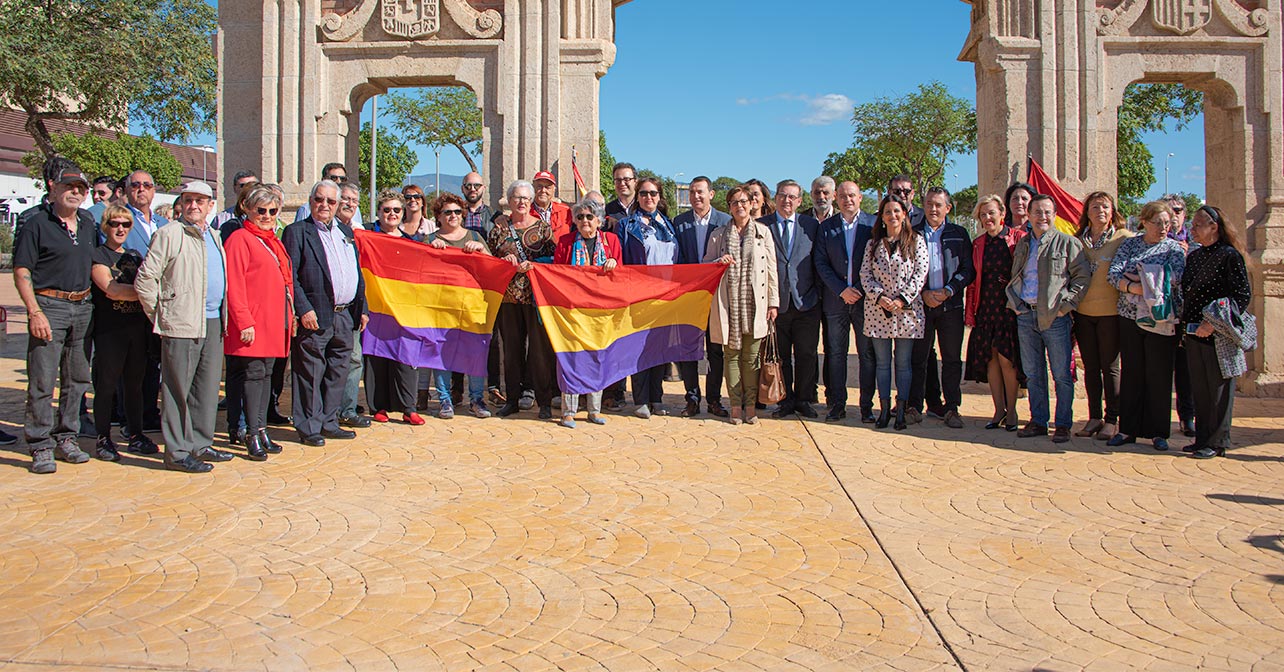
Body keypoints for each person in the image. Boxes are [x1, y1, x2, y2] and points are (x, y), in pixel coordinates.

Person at [135, 180, 234, 473]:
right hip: (181, 324)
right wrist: (163, 315)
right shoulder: (169, 234)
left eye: (200, 201)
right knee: (177, 390)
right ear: (181, 203)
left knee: (205, 389)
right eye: (189, 200)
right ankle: (177, 452)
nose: (194, 206)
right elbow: (145, 280)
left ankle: (200, 444)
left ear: (209, 206)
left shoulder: (214, 236)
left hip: (213, 321)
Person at [12, 158, 97, 473]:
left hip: (83, 307)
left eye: (80, 188)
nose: (75, 192)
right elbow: (22, 272)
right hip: (49, 306)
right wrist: (34, 312)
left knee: (77, 379)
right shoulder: (36, 223)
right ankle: (39, 444)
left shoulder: (88, 222)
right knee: (43, 379)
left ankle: (67, 437)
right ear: (53, 187)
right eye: (69, 186)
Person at [283, 180, 369, 447]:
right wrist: (303, 308)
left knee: (337, 371)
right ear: (311, 202)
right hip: (315, 314)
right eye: (320, 200)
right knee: (310, 372)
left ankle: (329, 422)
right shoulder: (297, 232)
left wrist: (361, 308)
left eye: (331, 202)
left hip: (344, 315)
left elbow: (355, 272)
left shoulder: (345, 232)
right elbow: (290, 276)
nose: (325, 206)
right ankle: (309, 426)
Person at [1007, 194, 1090, 443]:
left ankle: (1063, 423)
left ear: (1054, 215)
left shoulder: (1068, 244)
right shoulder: (1023, 245)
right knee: (1033, 373)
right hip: (1026, 315)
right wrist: (1016, 303)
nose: (1042, 217)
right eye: (1037, 212)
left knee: (1061, 374)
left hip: (1055, 318)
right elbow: (1017, 276)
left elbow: (1081, 278)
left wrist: (1066, 306)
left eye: (1047, 212)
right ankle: (1038, 421)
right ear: (1029, 216)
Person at [1106, 200, 1187, 451]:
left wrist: (1140, 277)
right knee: (1132, 372)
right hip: (1130, 317)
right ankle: (1128, 429)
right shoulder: (1130, 244)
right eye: (1157, 223)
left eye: (1166, 223)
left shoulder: (1174, 248)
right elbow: (1114, 274)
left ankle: (1158, 432)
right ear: (1144, 222)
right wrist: (1140, 286)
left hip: (1160, 319)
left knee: (1159, 375)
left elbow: (1176, 277)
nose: (1163, 227)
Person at [224, 185, 293, 461]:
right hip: (252, 322)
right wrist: (244, 321)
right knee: (252, 377)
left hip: (273, 321)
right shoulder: (240, 239)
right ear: (247, 210)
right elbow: (235, 284)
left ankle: (262, 428)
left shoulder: (272, 240)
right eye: (260, 210)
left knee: (266, 376)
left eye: (272, 211)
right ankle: (250, 432)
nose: (266, 215)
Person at [1181, 205, 1252, 459]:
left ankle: (1218, 441)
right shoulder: (1195, 256)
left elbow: (1241, 296)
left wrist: (1212, 322)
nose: (1193, 229)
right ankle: (1202, 438)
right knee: (1199, 388)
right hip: (1192, 332)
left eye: (1198, 224)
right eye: (1193, 224)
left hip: (1217, 333)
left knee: (1219, 389)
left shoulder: (1230, 256)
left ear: (1214, 227)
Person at [90, 204, 159, 460]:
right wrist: (147, 294)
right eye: (115, 224)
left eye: (126, 225)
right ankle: (103, 437)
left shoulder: (134, 256)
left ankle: (135, 434)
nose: (120, 229)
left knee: (134, 385)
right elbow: (112, 290)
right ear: (106, 226)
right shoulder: (99, 255)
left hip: (136, 330)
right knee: (107, 386)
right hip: (111, 331)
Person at [705, 185, 779, 425]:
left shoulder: (763, 232)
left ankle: (751, 406)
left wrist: (773, 303)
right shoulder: (718, 234)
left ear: (751, 204)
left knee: (752, 357)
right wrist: (719, 261)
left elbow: (771, 271)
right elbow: (706, 265)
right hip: (729, 303)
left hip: (755, 303)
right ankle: (735, 406)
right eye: (735, 202)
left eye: (744, 201)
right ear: (729, 207)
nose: (740, 206)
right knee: (731, 356)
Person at [489, 180, 557, 419]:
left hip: (536, 299)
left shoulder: (543, 229)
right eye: (517, 198)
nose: (521, 202)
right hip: (508, 299)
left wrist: (536, 265)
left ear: (531, 202)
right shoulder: (499, 229)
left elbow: (554, 261)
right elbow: (489, 261)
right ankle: (513, 400)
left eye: (526, 198)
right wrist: (502, 263)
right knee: (512, 352)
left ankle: (544, 401)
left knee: (540, 352)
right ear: (509, 201)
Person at [552, 198, 622, 428]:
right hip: (573, 309)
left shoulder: (611, 242)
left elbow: (621, 274)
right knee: (571, 358)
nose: (584, 221)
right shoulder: (565, 242)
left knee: (597, 357)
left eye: (589, 217)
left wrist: (612, 263)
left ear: (599, 221)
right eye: (580, 217)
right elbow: (557, 273)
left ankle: (594, 409)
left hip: (601, 311)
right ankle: (568, 411)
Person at [861, 195, 929, 430]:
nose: (892, 216)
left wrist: (901, 299)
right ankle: (883, 411)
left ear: (904, 214)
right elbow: (865, 275)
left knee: (903, 363)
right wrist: (880, 297)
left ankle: (900, 411)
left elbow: (920, 273)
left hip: (906, 312)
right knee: (882, 363)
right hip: (878, 311)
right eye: (887, 212)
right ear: (881, 216)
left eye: (897, 211)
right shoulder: (873, 244)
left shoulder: (916, 241)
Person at [908, 187, 974, 428]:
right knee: (918, 358)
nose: (933, 209)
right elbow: (905, 270)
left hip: (950, 306)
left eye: (938, 205)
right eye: (929, 204)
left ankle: (952, 408)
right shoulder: (911, 233)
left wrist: (948, 290)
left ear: (948, 207)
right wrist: (922, 293)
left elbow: (968, 270)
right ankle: (914, 406)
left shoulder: (959, 234)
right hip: (920, 306)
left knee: (951, 359)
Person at [426, 192, 494, 419]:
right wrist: (429, 251)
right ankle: (445, 400)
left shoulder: (474, 236)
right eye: (447, 212)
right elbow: (419, 271)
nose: (453, 216)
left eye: (457, 211)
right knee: (441, 353)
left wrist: (482, 250)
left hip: (472, 305)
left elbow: (493, 267)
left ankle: (476, 399)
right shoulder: (430, 240)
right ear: (438, 215)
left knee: (474, 352)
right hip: (442, 306)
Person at [362, 191, 428, 425]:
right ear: (378, 212)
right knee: (377, 354)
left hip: (403, 308)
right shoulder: (368, 237)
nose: (391, 214)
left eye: (396, 210)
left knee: (406, 356)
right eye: (386, 210)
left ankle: (408, 407)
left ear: (403, 213)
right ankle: (378, 406)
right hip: (377, 306)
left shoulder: (411, 243)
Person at [813, 181, 876, 422]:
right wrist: (842, 290)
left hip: (864, 301)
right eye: (842, 196)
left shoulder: (872, 224)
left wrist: (858, 290)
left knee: (866, 355)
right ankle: (837, 404)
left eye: (851, 195)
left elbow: (876, 262)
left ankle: (866, 407)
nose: (847, 200)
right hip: (835, 302)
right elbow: (821, 263)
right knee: (836, 354)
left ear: (860, 197)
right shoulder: (827, 227)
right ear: (836, 199)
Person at [1071, 191, 1132, 440]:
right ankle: (1094, 416)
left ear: (1112, 210)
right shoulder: (1078, 241)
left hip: (1111, 314)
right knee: (1091, 367)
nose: (1100, 211)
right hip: (1084, 313)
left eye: (1105, 207)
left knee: (1111, 367)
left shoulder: (1124, 239)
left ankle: (1112, 419)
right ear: (1087, 212)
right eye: (1095, 207)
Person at [618, 177, 680, 418]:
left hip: (666, 296)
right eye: (643, 193)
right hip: (640, 295)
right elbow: (622, 261)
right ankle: (641, 399)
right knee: (640, 348)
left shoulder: (669, 225)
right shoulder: (627, 225)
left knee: (660, 348)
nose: (648, 197)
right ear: (637, 196)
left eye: (653, 193)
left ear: (659, 196)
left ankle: (657, 397)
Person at [761, 179, 821, 418]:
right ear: (775, 198)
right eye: (783, 196)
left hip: (807, 302)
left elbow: (819, 261)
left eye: (792, 197)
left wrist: (816, 294)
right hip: (777, 303)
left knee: (807, 354)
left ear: (799, 201)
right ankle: (785, 401)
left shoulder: (811, 226)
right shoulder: (762, 226)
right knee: (781, 356)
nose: (787, 201)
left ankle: (804, 400)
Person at [964, 195, 1025, 431]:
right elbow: (973, 280)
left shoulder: (1017, 239)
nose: (987, 218)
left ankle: (1012, 411)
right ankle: (998, 410)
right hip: (985, 308)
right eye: (982, 214)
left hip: (1008, 308)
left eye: (991, 213)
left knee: (1007, 360)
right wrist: (971, 312)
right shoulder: (978, 244)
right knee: (990, 360)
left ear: (1001, 213)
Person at [673, 176, 731, 418]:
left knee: (715, 351)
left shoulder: (725, 222)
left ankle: (715, 400)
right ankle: (692, 398)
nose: (696, 196)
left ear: (711, 194)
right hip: (688, 297)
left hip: (716, 297)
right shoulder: (679, 222)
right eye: (692, 192)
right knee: (687, 351)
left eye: (700, 192)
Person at [1163, 192, 1197, 437]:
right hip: (1161, 314)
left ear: (1184, 214)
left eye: (1177, 210)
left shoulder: (1196, 244)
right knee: (1160, 370)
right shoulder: (1154, 243)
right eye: (1168, 211)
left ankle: (1187, 417)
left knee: (1186, 371)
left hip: (1188, 315)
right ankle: (1158, 419)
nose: (1173, 216)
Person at [294, 163, 364, 226]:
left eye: (343, 179)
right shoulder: (307, 209)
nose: (338, 181)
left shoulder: (354, 209)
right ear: (323, 179)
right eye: (333, 178)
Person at [531, 170, 573, 240]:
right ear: (533, 188)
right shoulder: (525, 212)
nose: (543, 190)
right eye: (539, 186)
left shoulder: (566, 211)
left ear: (554, 190)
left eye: (548, 187)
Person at [461, 172, 498, 237]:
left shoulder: (495, 216)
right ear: (462, 189)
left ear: (483, 189)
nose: (472, 189)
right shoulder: (455, 214)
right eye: (468, 186)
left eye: (477, 186)